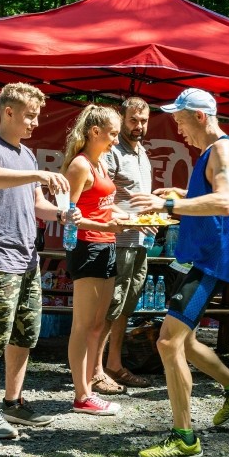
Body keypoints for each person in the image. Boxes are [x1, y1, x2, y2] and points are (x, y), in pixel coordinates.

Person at [131, 88, 229, 457]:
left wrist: (169, 203)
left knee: (167, 343)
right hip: (193, 256)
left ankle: (185, 438)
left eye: (181, 121)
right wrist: (184, 192)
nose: (179, 129)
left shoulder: (223, 149)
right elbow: (213, 194)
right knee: (182, 342)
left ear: (200, 116)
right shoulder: (212, 153)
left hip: (206, 260)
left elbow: (225, 201)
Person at [0, 83, 77, 439]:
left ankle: (13, 403)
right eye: (29, 115)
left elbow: (35, 204)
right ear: (8, 112)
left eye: (37, 115)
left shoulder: (27, 155)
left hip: (28, 259)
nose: (34, 122)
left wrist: (61, 215)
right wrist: (38, 175)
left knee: (25, 334)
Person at [61, 104, 129, 416]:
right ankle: (81, 394)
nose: (117, 140)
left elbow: (103, 206)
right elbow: (68, 218)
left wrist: (132, 218)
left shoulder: (99, 163)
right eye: (113, 134)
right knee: (83, 325)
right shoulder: (79, 166)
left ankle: (89, 387)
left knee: (99, 324)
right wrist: (105, 226)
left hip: (108, 246)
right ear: (95, 132)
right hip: (87, 249)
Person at [91, 97, 155, 394]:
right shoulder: (111, 152)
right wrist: (133, 218)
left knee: (125, 308)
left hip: (140, 242)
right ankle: (95, 371)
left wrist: (152, 218)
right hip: (116, 240)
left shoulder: (142, 153)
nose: (139, 126)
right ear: (122, 118)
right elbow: (102, 199)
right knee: (109, 307)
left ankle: (114, 364)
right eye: (133, 120)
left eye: (143, 120)